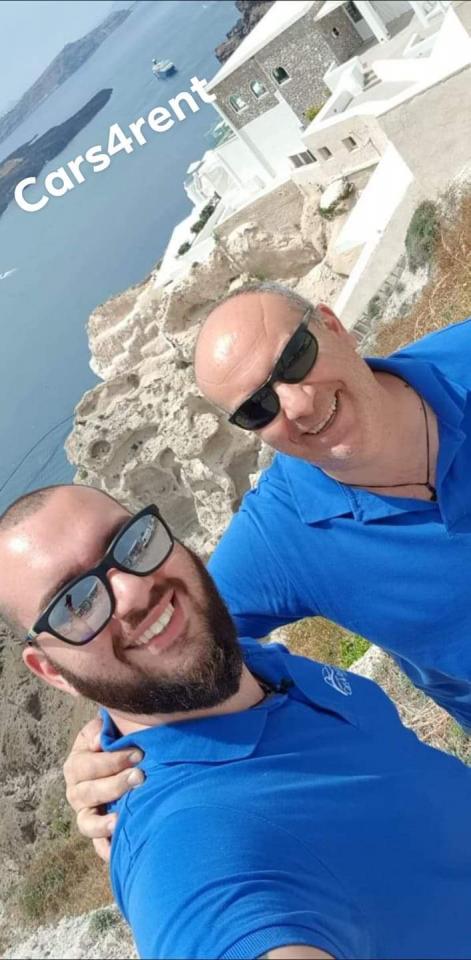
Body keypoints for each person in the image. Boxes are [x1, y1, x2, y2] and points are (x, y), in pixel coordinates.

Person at [65, 281, 471, 854]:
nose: (298, 406)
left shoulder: (461, 359)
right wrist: (99, 751)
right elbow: (162, 651)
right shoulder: (283, 537)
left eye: (296, 357)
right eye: (259, 408)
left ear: (332, 324)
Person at [2, 483, 471, 959]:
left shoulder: (235, 660)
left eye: (131, 541)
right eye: (75, 604)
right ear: (52, 671)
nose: (133, 590)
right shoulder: (186, 850)